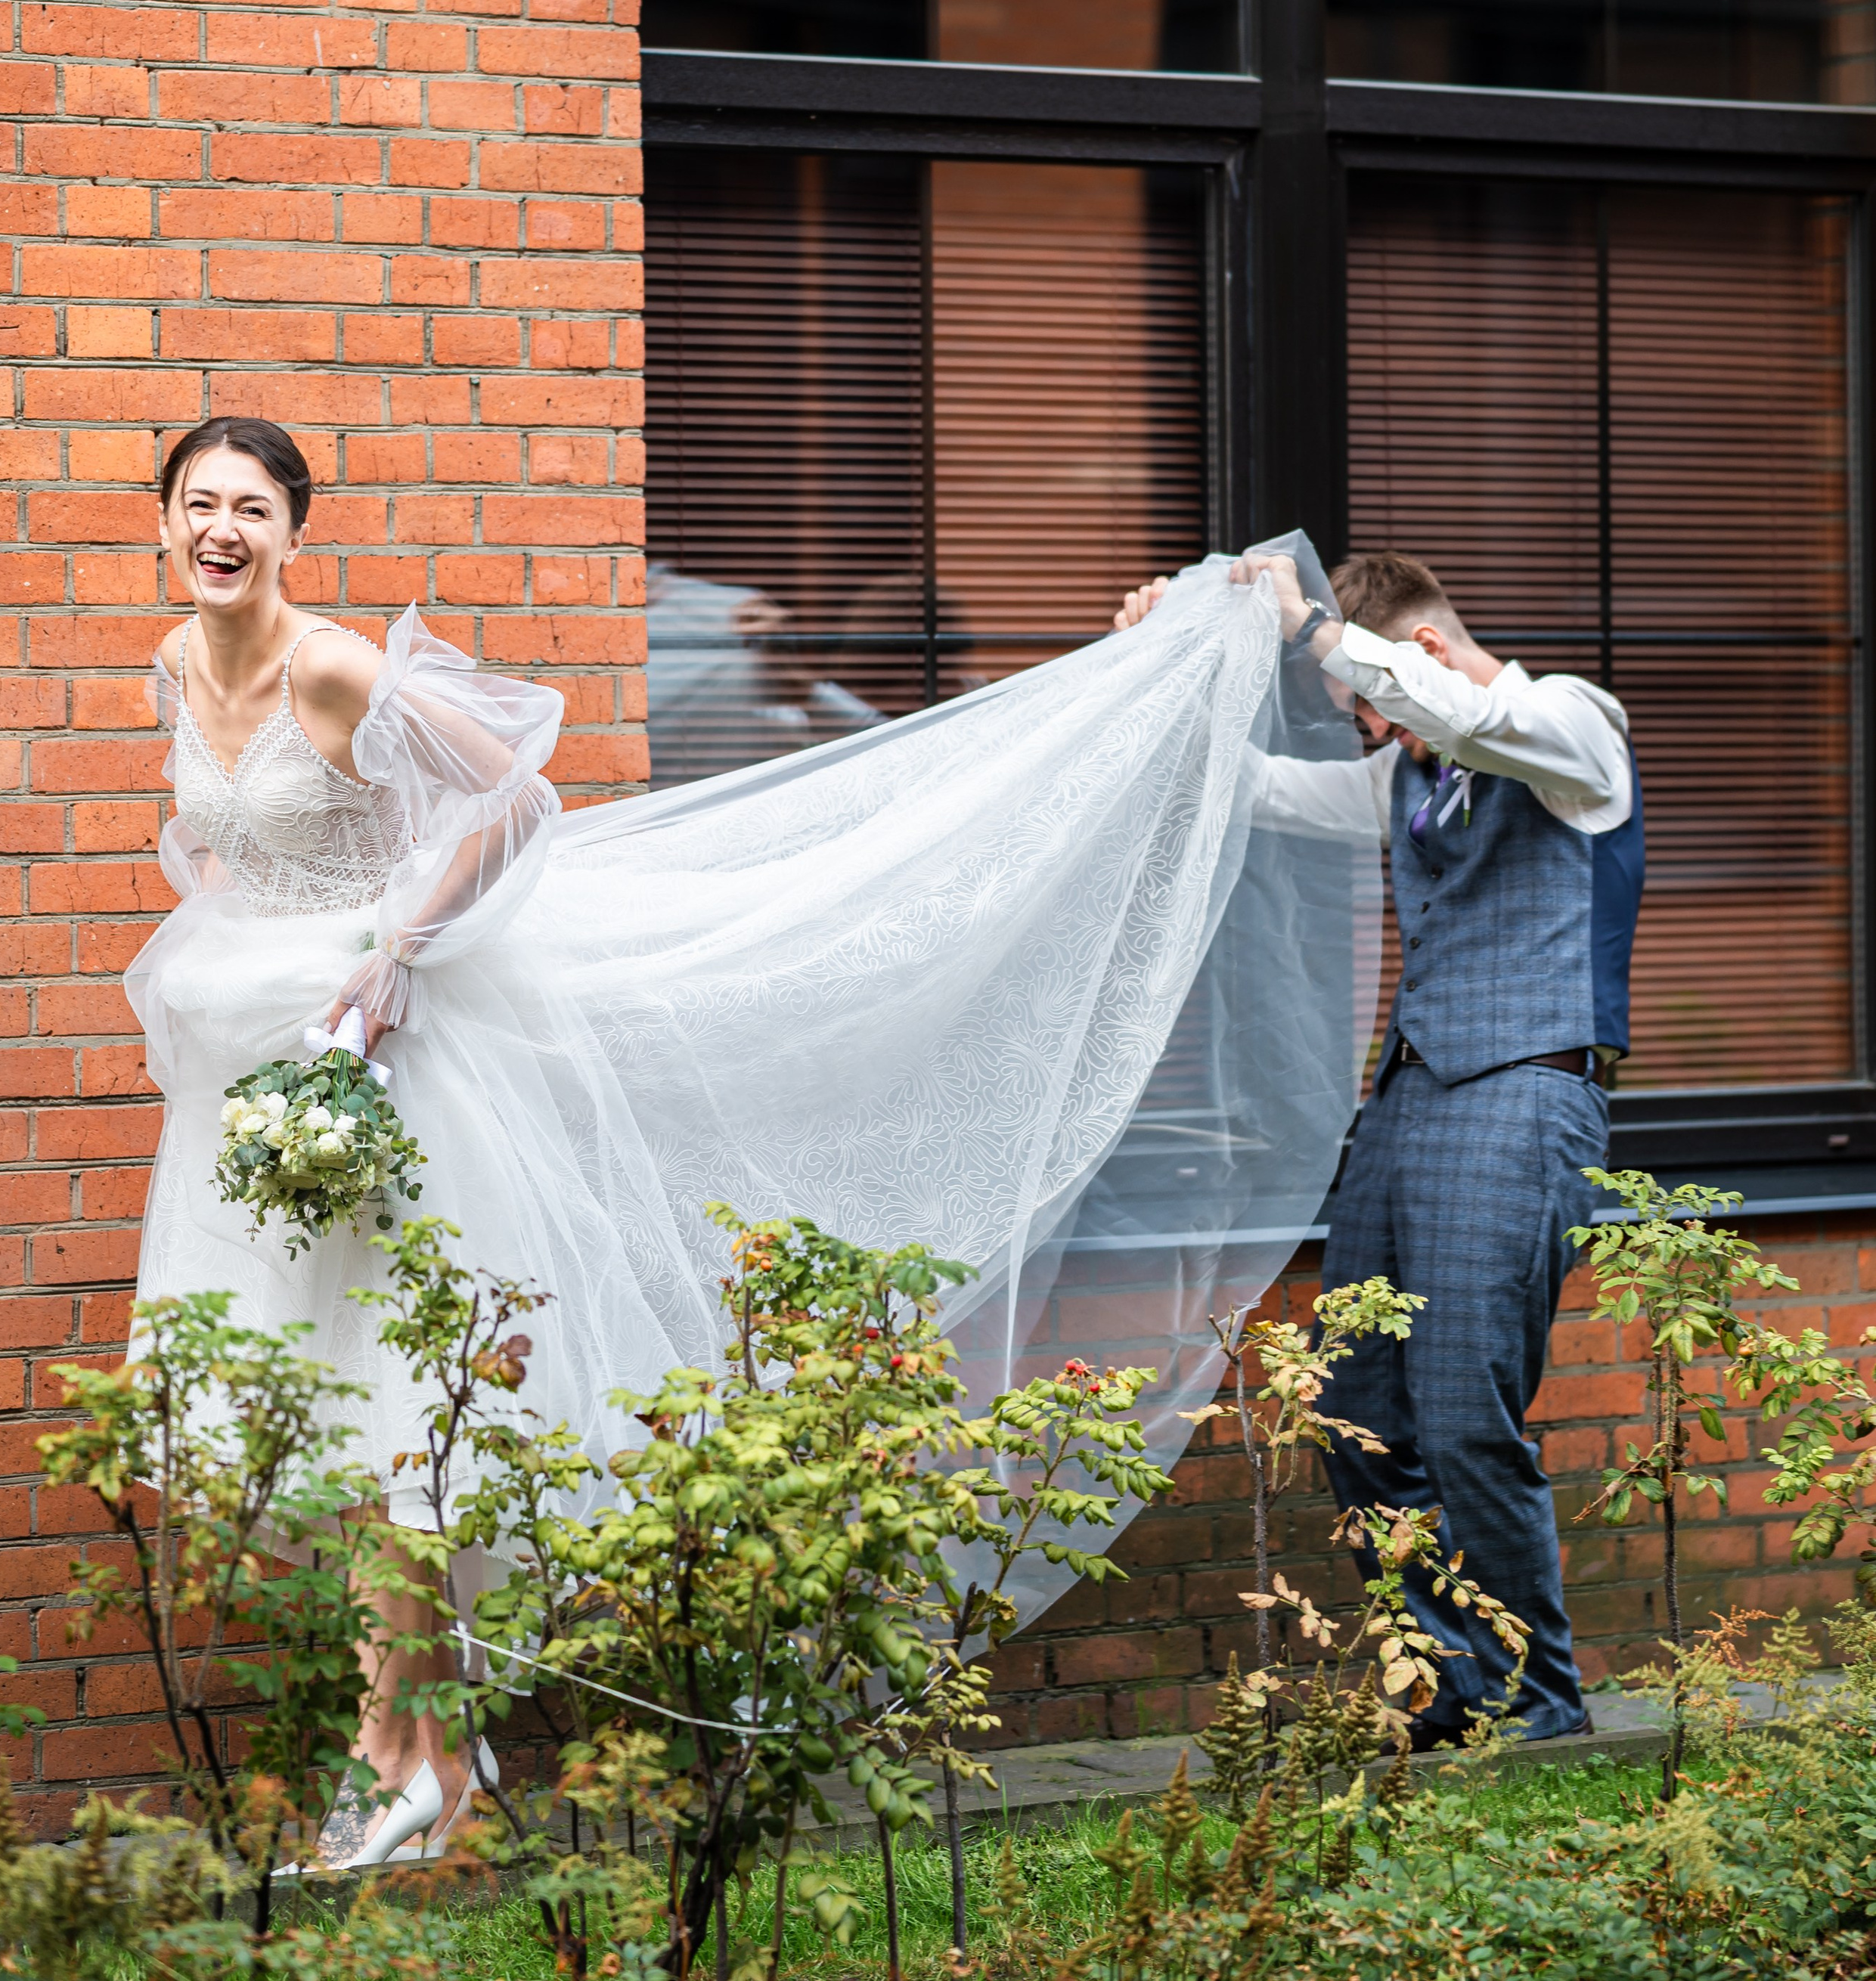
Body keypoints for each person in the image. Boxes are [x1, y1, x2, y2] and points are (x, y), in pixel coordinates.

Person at [129, 421, 1380, 1862]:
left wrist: (396, 946)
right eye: (197, 506)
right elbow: (223, 844)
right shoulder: (173, 663)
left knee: (407, 1429)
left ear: (295, 531)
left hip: (389, 1076)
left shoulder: (333, 666)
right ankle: (425, 1754)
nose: (221, 529)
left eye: (251, 508)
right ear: (162, 523)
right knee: (340, 1435)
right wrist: (239, 935)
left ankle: (406, 1764)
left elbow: (515, 801)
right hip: (257, 1080)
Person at [1118, 546, 1642, 1741]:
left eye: (1370, 703)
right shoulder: (1403, 779)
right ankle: (1456, 1687)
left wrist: (1315, 635)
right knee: (1355, 1408)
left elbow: (1459, 711)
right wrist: (1148, 667)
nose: (1370, 730)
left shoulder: (1571, 729)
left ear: (1420, 657)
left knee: (1465, 1414)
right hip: (1407, 1108)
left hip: (1526, 1095)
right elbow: (1249, 789)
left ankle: (1537, 1698)